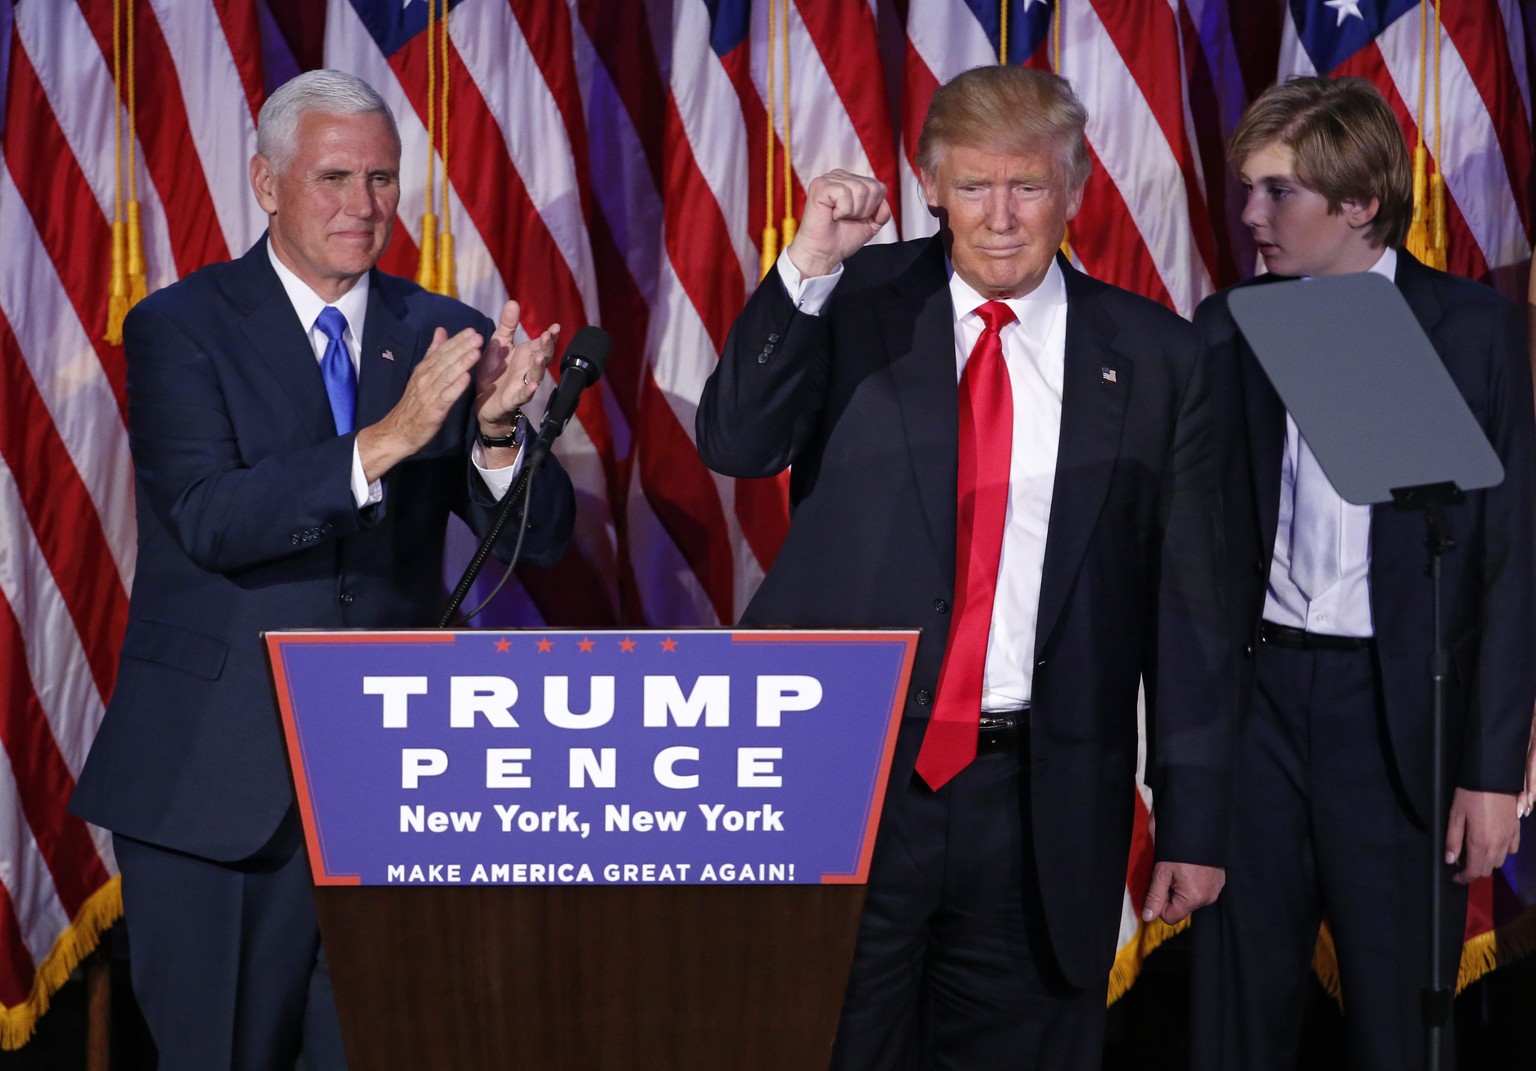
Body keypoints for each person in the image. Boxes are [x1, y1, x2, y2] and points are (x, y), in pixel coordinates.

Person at [696, 65, 1235, 1069]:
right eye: (974, 186)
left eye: (1026, 187)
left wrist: (1195, 821)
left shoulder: (1158, 357)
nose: (999, 217)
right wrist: (807, 261)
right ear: (930, 184)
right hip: (846, 776)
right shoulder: (851, 302)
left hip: (1042, 800)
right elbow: (736, 441)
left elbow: (1190, 604)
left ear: (1071, 188)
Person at [70, 70, 575, 1069]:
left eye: (382, 180)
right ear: (266, 184)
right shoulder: (181, 326)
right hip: (218, 789)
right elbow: (210, 518)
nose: (363, 206)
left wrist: (503, 431)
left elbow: (542, 539)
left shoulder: (440, 330)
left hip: (390, 783)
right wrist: (386, 440)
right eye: (335, 178)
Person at [1189, 75, 1535, 1071]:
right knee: (1234, 1016)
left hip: (1397, 717)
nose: (1251, 214)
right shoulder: (1228, 326)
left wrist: (1490, 769)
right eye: (1248, 188)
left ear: (1360, 203)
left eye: (1278, 191)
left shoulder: (1469, 332)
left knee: (1398, 1026)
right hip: (1257, 714)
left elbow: (1507, 561)